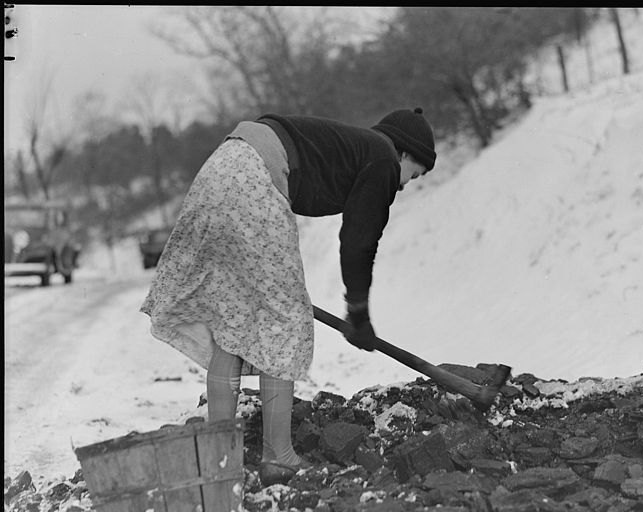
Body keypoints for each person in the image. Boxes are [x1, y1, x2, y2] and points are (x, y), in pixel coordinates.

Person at [140, 108, 437, 486]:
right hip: (256, 177)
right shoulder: (382, 158)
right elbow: (360, 241)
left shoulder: (356, 148)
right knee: (285, 319)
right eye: (416, 174)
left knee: (236, 318)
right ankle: (278, 458)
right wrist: (359, 312)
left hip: (224, 165)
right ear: (405, 154)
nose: (407, 184)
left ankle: (221, 462)